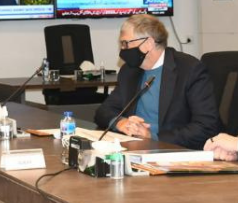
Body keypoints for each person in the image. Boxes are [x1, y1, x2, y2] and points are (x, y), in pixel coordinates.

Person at [94, 14, 220, 149]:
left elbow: (206, 126)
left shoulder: (189, 69)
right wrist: (121, 123)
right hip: (134, 148)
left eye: (125, 43)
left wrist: (152, 137)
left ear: (148, 43)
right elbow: (104, 111)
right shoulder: (129, 71)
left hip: (173, 151)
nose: (122, 49)